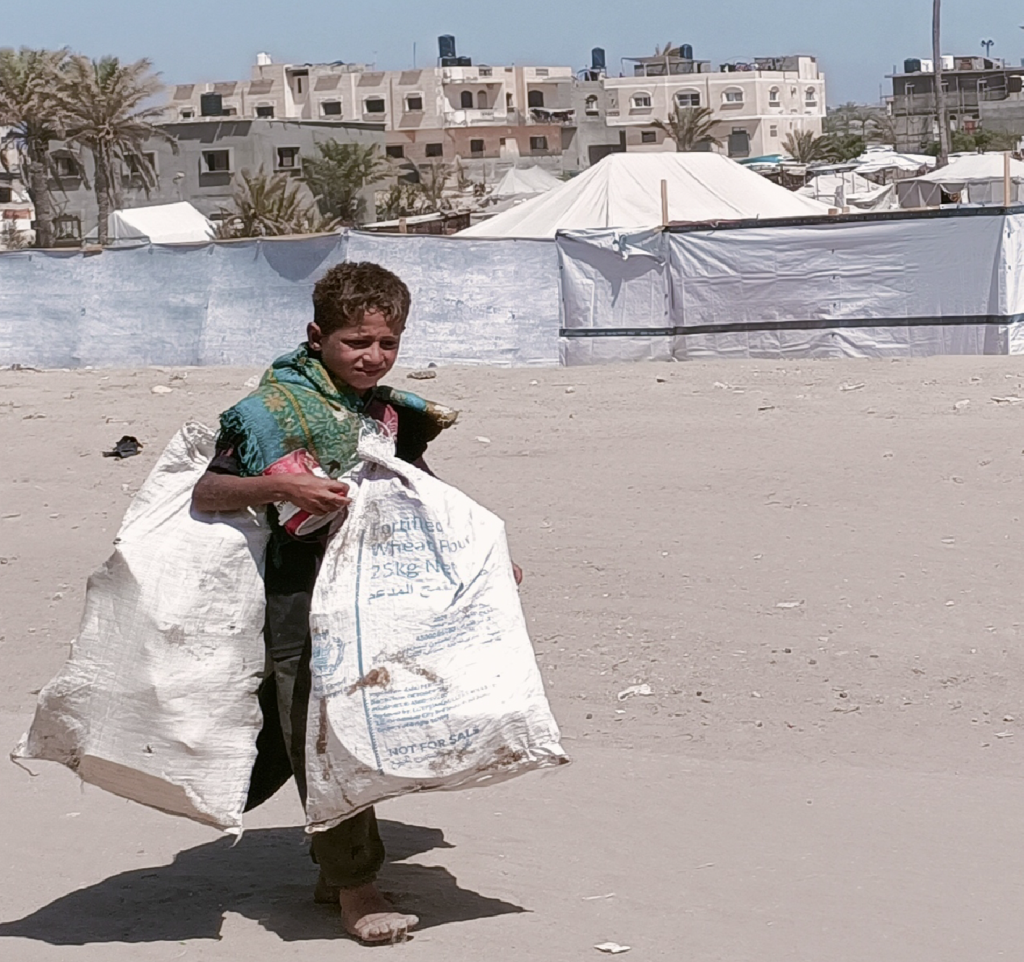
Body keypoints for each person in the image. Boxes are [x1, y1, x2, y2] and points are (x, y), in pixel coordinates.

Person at [192, 262, 459, 943]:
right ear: (317, 337)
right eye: (356, 342)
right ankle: (355, 885)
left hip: (371, 593)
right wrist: (283, 489)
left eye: (387, 343)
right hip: (295, 596)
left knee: (347, 729)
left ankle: (338, 866)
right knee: (315, 733)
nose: (373, 356)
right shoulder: (270, 411)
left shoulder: (387, 413)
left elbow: (419, 488)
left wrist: (475, 551)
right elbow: (208, 492)